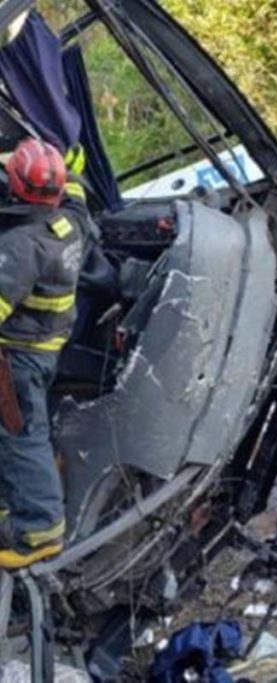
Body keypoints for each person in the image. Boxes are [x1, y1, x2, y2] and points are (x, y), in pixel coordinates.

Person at [0, 138, 84, 568]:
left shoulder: (20, 247)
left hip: (16, 357)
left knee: (19, 440)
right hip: (46, 350)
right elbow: (77, 190)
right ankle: (9, 508)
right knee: (21, 434)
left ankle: (39, 533)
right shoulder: (70, 222)